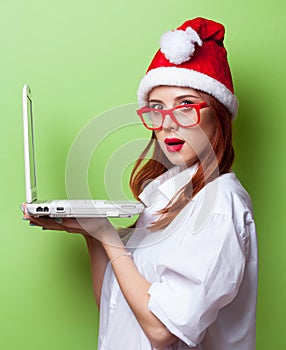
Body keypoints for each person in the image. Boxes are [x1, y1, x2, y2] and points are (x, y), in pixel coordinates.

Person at [25, 17, 258, 350]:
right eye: (157, 108)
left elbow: (162, 330)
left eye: (186, 105)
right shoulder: (164, 194)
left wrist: (108, 234)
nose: (168, 123)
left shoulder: (220, 204)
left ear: (217, 113)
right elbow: (118, 310)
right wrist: (92, 232)